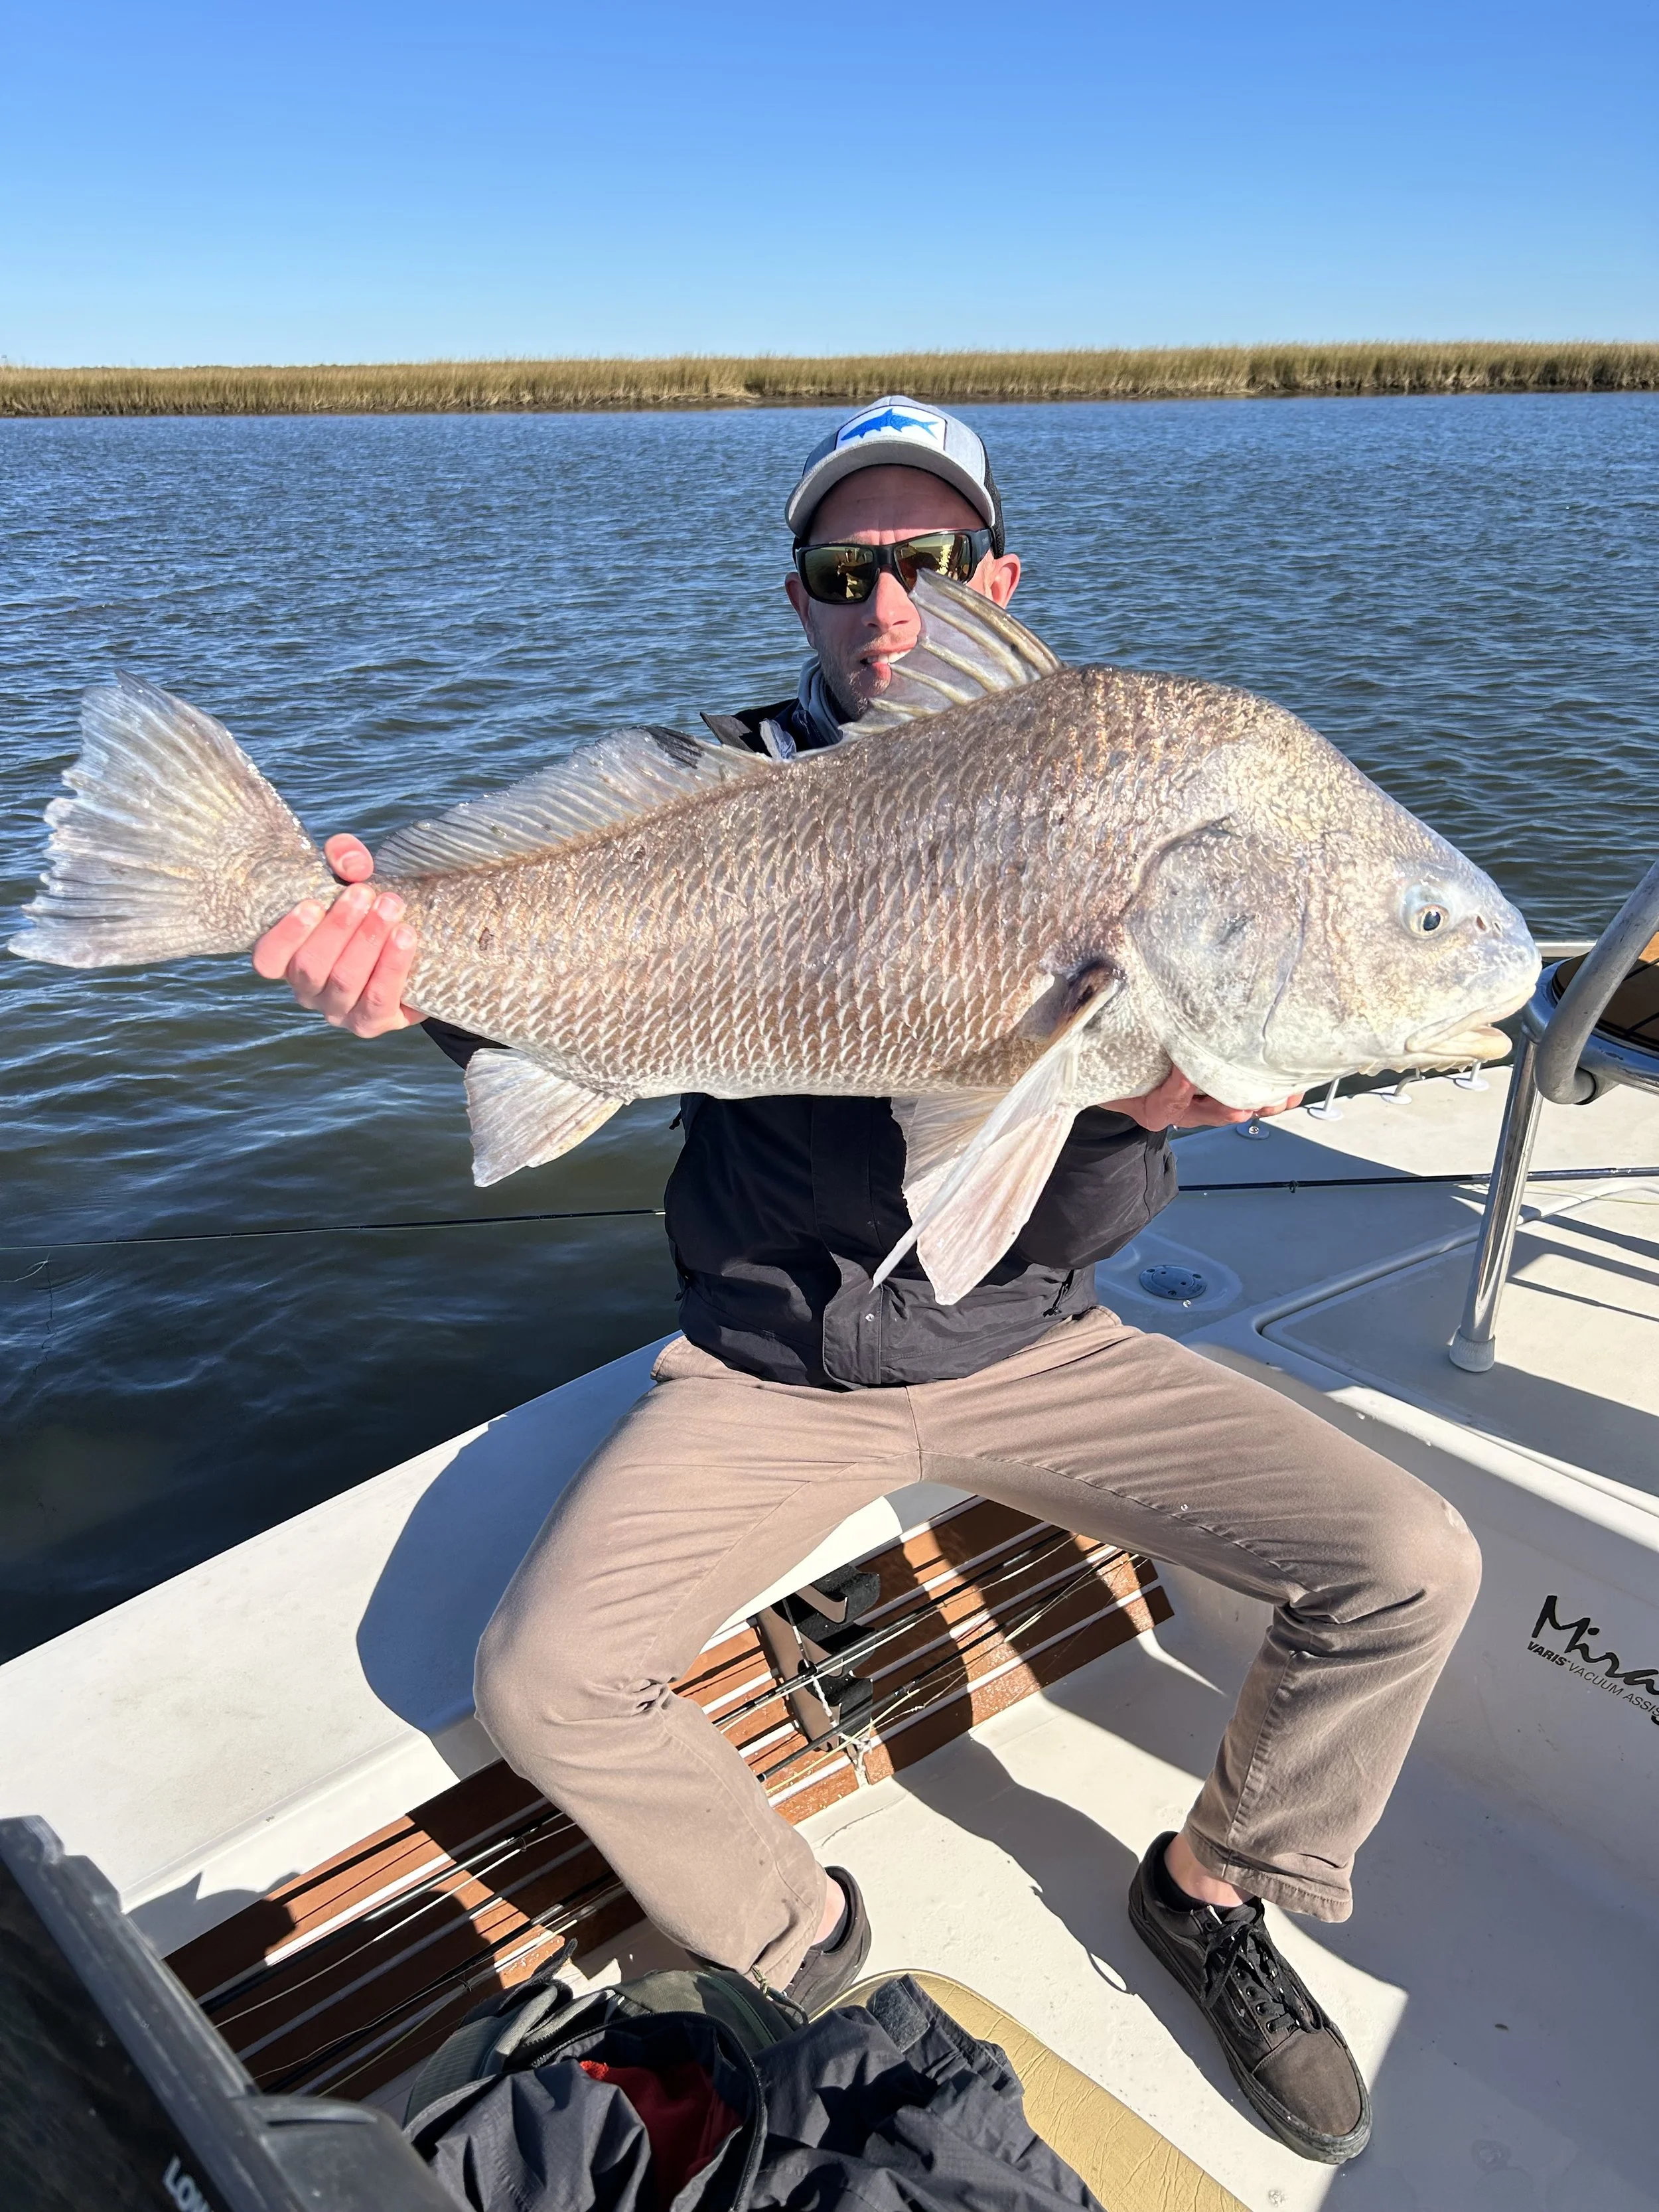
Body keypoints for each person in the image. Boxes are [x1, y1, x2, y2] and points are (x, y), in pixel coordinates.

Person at [252, 398, 1480, 2167]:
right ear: (800, 598)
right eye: (843, 568)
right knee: (543, 1678)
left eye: (925, 562)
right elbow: (543, 958)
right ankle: (809, 1961)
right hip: (770, 1367)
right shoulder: (733, 779)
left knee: (1408, 1561)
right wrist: (393, 953)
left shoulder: (1115, 782)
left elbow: (1120, 1102)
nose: (883, 602)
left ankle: (1213, 1886)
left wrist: (1151, 1085)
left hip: (1037, 1342)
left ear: (995, 576)